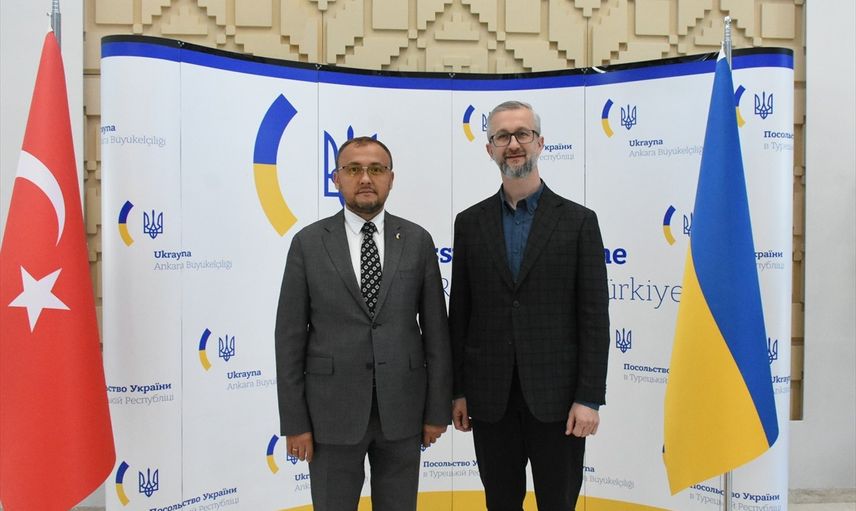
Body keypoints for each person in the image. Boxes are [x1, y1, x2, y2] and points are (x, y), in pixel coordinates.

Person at [275, 136, 452, 511]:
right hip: (329, 415)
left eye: (376, 169)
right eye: (353, 169)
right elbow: (289, 340)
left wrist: (437, 411)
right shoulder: (308, 243)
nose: (366, 178)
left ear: (391, 178)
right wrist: (295, 422)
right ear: (336, 179)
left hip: (403, 412)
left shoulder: (417, 241)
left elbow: (437, 334)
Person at [449, 101, 610, 510]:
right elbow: (460, 314)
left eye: (522, 134)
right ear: (490, 149)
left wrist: (589, 398)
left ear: (540, 142)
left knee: (558, 503)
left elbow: (594, 318)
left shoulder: (579, 222)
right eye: (502, 136)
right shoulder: (469, 223)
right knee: (500, 503)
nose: (513, 144)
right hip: (490, 399)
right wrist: (458, 391)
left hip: (560, 402)